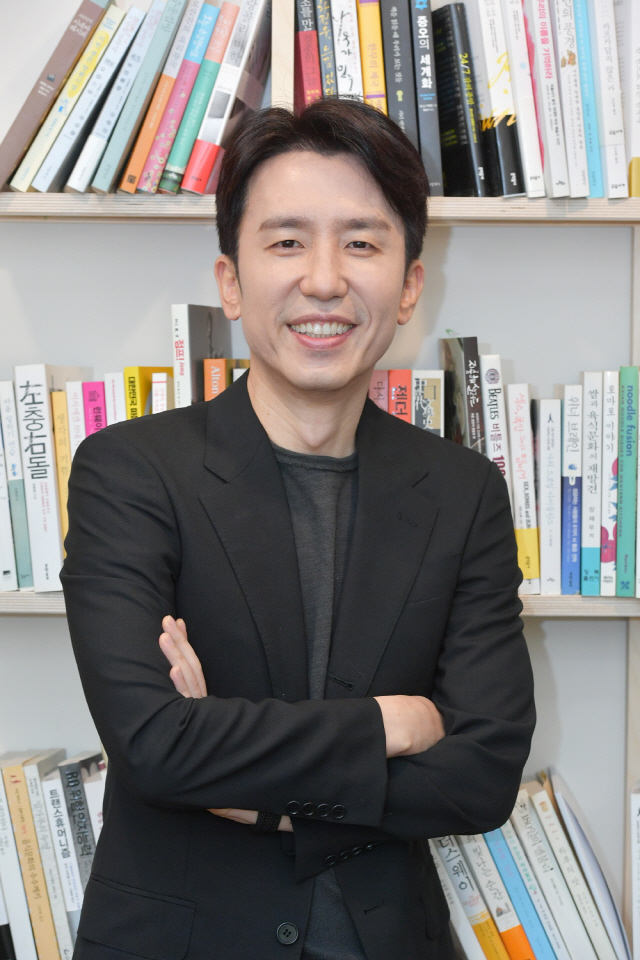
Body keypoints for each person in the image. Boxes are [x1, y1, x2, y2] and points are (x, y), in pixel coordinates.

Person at [62, 97, 535, 960]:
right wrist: (390, 724)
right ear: (231, 281)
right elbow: (154, 745)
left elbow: (482, 776)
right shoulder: (129, 473)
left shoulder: (463, 494)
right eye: (286, 242)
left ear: (410, 285)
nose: (323, 280)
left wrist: (254, 794)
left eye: (361, 243)